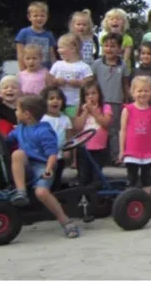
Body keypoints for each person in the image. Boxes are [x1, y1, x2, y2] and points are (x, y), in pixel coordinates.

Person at [0, 95, 79, 237]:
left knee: (41, 192)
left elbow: (52, 155)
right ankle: (21, 193)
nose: (15, 112)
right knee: (18, 154)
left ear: (27, 115)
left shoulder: (44, 131)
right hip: (29, 166)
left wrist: (48, 170)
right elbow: (7, 141)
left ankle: (65, 221)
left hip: (44, 166)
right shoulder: (20, 129)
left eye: (17, 110)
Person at [119, 76, 151, 195]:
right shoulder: (128, 110)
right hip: (131, 151)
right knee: (132, 178)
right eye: (139, 90)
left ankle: (146, 203)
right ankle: (129, 202)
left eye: (146, 90)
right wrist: (122, 150)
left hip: (147, 151)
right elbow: (122, 130)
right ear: (132, 92)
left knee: (146, 178)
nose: (143, 94)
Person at [90, 32, 130, 163]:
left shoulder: (122, 65)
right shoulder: (96, 64)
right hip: (100, 102)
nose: (109, 49)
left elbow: (125, 84)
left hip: (116, 102)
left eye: (113, 46)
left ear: (119, 49)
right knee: (99, 129)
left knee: (115, 130)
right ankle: (100, 157)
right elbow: (92, 83)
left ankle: (116, 157)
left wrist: (127, 99)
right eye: (106, 46)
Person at [72, 82, 112, 186]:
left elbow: (105, 123)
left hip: (100, 148)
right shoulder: (80, 109)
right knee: (83, 176)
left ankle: (96, 198)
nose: (90, 96)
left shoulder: (105, 107)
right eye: (87, 94)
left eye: (93, 93)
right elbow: (78, 126)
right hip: (83, 148)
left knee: (96, 175)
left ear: (99, 94)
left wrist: (94, 112)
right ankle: (84, 198)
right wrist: (85, 112)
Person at [50, 33, 94, 118]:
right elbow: (49, 81)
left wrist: (79, 83)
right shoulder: (57, 64)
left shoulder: (84, 67)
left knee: (72, 125)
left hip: (75, 103)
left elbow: (90, 83)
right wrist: (56, 81)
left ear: (73, 48)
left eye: (61, 47)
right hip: (58, 103)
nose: (58, 50)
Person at [15, 1, 56, 70]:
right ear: (29, 17)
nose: (39, 18)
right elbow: (20, 55)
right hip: (29, 70)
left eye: (42, 16)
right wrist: (23, 71)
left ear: (47, 17)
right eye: (35, 16)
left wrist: (53, 71)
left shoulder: (49, 35)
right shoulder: (23, 33)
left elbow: (52, 56)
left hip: (45, 70)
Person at [40, 86, 72, 159]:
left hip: (60, 156)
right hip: (45, 156)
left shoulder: (65, 119)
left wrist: (67, 149)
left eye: (58, 98)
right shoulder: (42, 119)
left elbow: (69, 137)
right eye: (51, 98)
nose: (55, 101)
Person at [133, 42, 151, 107]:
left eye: (149, 54)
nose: (145, 56)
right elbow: (131, 88)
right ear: (139, 55)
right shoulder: (135, 71)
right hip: (137, 105)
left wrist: (147, 89)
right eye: (143, 53)